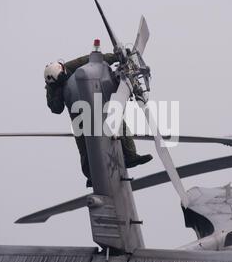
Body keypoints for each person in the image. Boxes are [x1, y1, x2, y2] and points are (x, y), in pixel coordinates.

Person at [44, 53, 152, 187]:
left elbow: (94, 59)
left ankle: (130, 156)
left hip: (96, 98)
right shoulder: (51, 87)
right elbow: (55, 108)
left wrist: (116, 57)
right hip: (77, 109)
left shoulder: (72, 65)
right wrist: (59, 92)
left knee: (116, 121)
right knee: (83, 143)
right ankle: (91, 175)